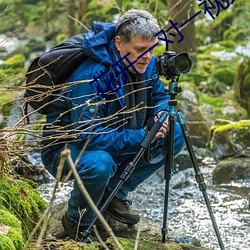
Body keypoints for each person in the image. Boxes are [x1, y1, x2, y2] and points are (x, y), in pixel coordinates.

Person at [41, 9, 185, 241]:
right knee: (100, 164)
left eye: (152, 49)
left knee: (175, 132)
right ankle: (76, 221)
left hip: (117, 136)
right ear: (119, 43)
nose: (148, 56)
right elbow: (87, 135)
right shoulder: (91, 76)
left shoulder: (144, 62)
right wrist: (142, 135)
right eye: (140, 49)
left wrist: (161, 114)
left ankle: (115, 193)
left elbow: (159, 96)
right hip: (67, 150)